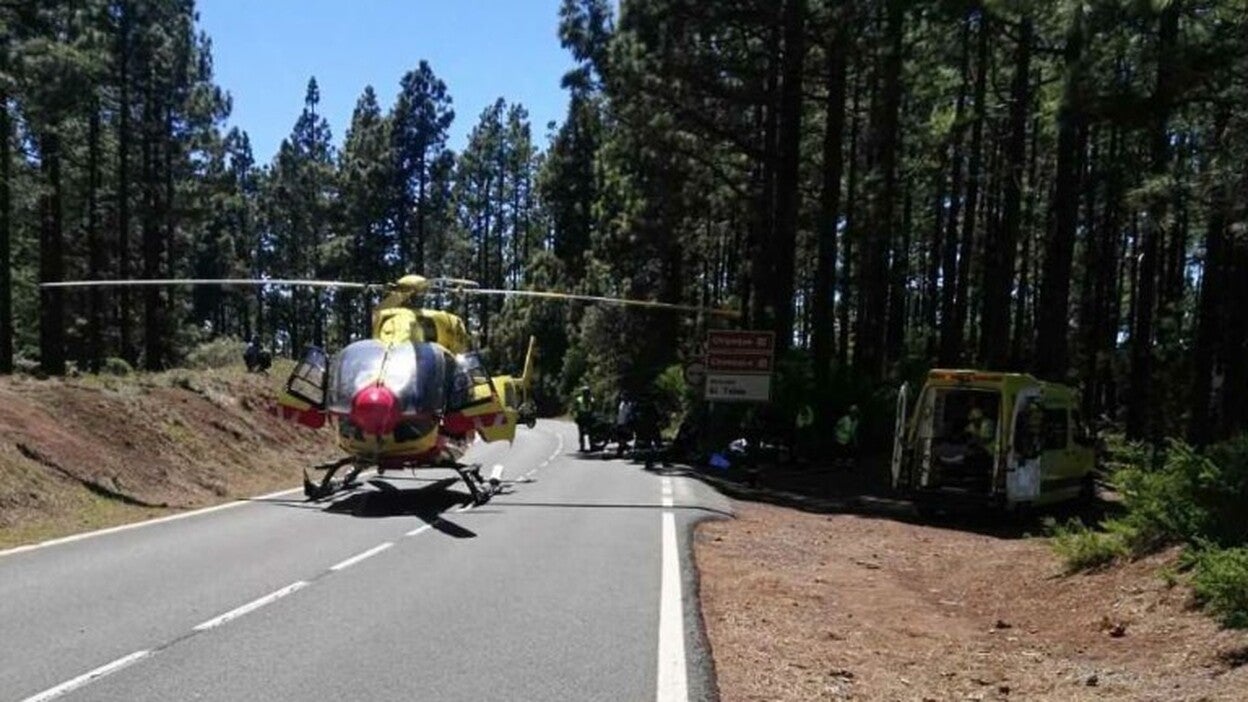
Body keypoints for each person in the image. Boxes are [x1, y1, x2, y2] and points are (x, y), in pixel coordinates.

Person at [574, 386, 595, 452]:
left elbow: (594, 408)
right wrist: (576, 417)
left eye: (587, 392)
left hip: (589, 418)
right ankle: (582, 447)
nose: (586, 394)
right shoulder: (579, 399)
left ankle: (592, 446)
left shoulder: (591, 400)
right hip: (581, 418)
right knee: (581, 434)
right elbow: (576, 409)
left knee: (591, 434)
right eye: (584, 392)